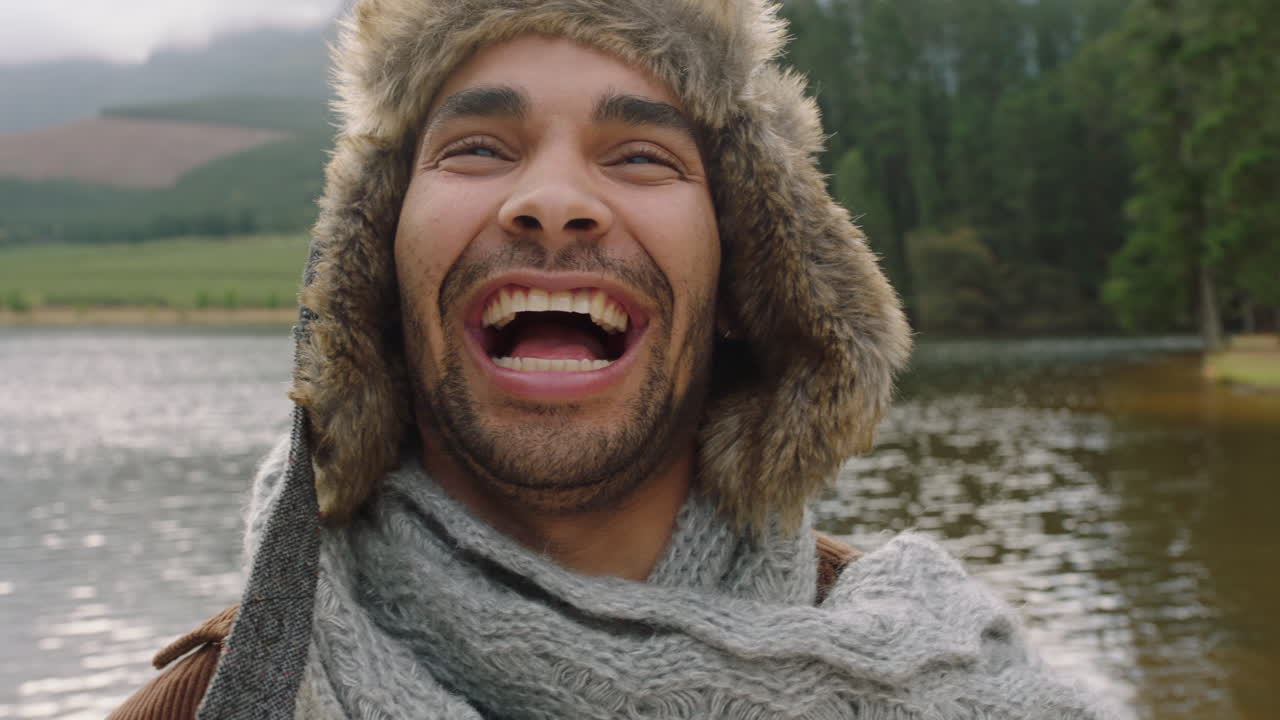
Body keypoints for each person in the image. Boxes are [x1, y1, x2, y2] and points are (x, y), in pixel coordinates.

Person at [111, 0, 1115, 718]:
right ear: (377, 268)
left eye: (640, 156)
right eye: (478, 148)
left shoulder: (944, 685)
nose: (550, 199)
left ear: (740, 289)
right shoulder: (209, 703)